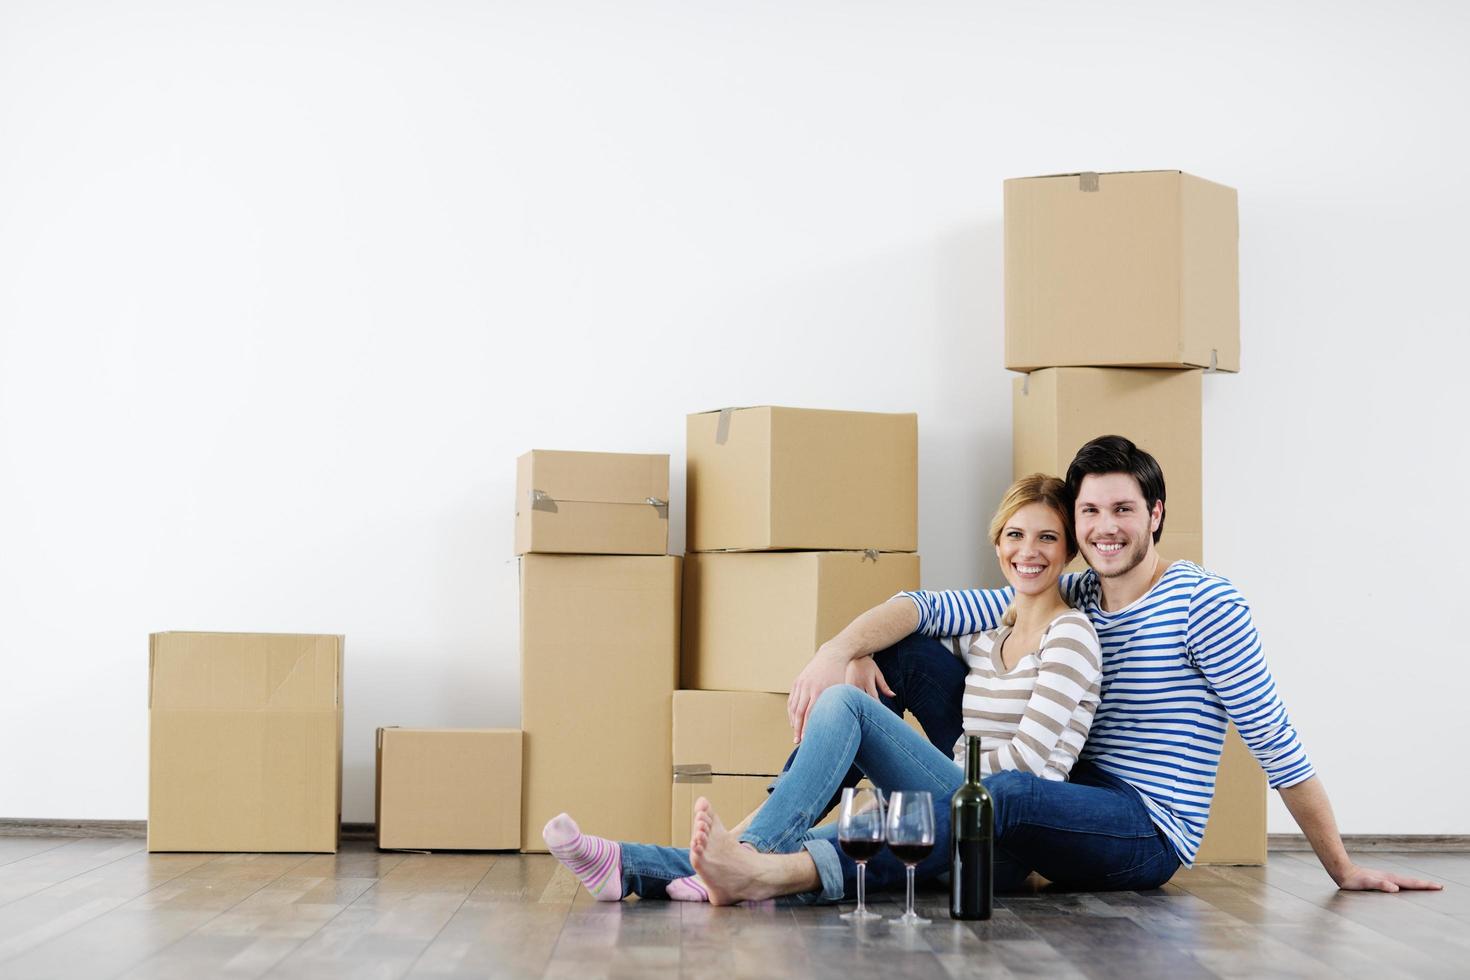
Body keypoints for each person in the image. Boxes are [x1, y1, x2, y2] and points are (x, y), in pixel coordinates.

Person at [764, 434, 1441, 897]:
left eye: (1122, 509)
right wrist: (842, 652)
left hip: (1142, 828)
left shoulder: (1204, 602)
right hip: (1068, 789)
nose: (1104, 527)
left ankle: (795, 870)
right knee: (900, 653)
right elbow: (929, 605)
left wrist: (1342, 866)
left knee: (1010, 793)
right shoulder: (1075, 591)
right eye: (1090, 511)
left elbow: (1277, 745)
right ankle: (765, 836)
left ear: (1155, 515)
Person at [541, 474, 1103, 904]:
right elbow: (915, 626)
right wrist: (858, 654)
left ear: (1068, 551)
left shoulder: (1071, 635)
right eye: (1015, 535)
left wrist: (927, 773)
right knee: (814, 844)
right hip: (951, 805)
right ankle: (624, 866)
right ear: (997, 542)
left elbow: (1025, 771)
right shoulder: (988, 633)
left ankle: (746, 847)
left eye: (1047, 538)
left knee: (841, 706)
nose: (1028, 551)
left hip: (999, 838)